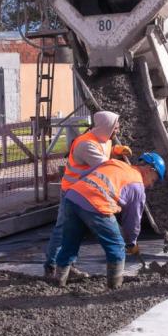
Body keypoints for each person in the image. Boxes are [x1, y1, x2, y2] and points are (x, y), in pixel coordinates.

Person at [53, 152, 165, 289]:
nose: (151, 185)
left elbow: (85, 175)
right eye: (153, 180)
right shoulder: (137, 186)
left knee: (70, 242)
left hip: (73, 197)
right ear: (149, 170)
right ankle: (114, 288)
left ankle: (58, 281)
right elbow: (132, 220)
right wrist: (131, 242)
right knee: (117, 246)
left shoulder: (116, 163)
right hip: (97, 204)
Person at [43, 111, 131, 279]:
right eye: (116, 127)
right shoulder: (85, 144)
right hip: (71, 190)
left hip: (84, 191)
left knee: (75, 230)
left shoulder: (104, 138)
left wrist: (116, 150)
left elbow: (106, 152)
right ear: (106, 127)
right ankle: (52, 267)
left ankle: (67, 266)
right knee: (63, 230)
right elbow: (105, 166)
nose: (118, 131)